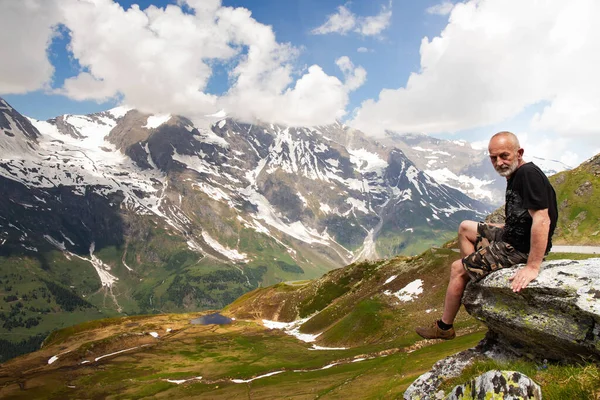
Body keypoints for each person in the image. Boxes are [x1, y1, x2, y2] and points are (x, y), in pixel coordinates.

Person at [415, 131, 558, 340]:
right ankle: (474, 273)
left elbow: (542, 219)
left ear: (519, 153)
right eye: (493, 158)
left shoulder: (528, 174)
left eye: (504, 156)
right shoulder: (515, 173)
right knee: (465, 227)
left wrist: (532, 266)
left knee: (456, 268)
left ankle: (445, 327)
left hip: (518, 248)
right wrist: (504, 226)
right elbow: (524, 214)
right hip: (512, 234)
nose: (499, 162)